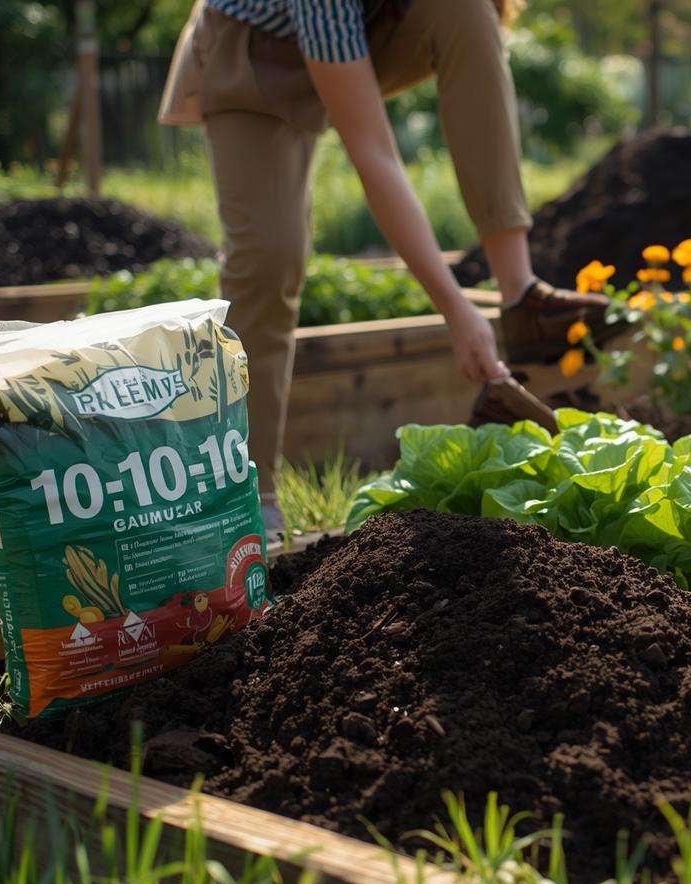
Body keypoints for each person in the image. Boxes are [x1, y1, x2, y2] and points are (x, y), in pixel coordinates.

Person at [157, 0, 618, 534]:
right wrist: (456, 309)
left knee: (466, 11)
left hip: (371, 29)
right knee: (268, 257)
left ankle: (521, 294)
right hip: (255, 53)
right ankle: (249, 491)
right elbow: (373, 155)